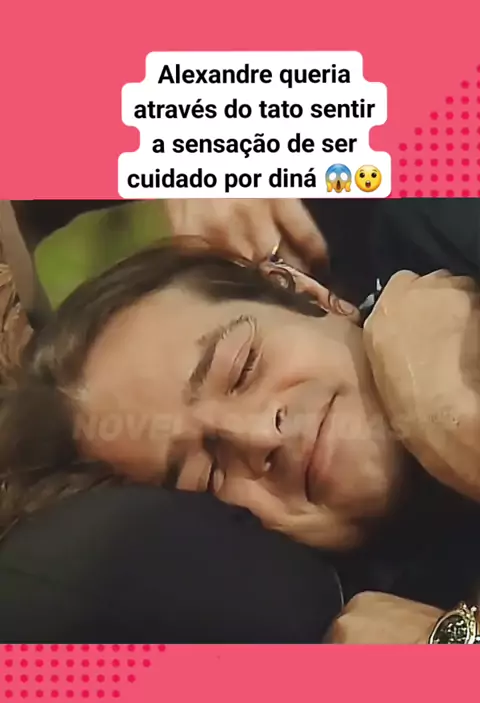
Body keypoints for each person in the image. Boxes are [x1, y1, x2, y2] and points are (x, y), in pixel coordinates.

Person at [1, 199, 480, 643]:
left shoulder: (436, 226)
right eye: (207, 474)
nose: (258, 435)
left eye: (242, 368)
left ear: (307, 294)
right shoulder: (359, 637)